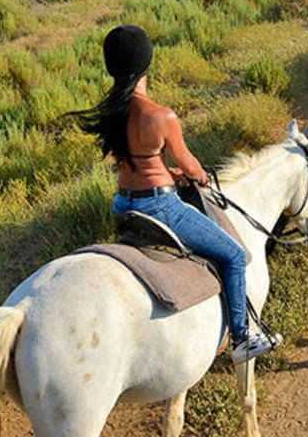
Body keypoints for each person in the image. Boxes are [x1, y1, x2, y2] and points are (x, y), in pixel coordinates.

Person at [73, 25, 278, 363]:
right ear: (145, 65)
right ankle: (241, 338)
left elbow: (129, 161)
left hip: (123, 202)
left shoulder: (111, 112)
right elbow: (190, 164)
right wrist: (196, 176)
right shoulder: (161, 115)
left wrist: (166, 173)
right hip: (160, 206)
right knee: (234, 255)